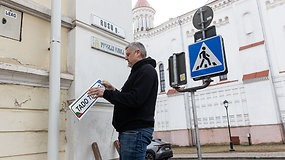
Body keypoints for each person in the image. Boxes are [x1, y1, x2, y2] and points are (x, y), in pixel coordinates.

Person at [88, 42, 158, 160]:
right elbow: (129, 99)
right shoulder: (139, 71)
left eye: (128, 54)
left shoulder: (146, 71)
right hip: (132, 132)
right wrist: (113, 89)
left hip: (135, 132)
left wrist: (105, 93)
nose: (125, 58)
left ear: (138, 53)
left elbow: (134, 100)